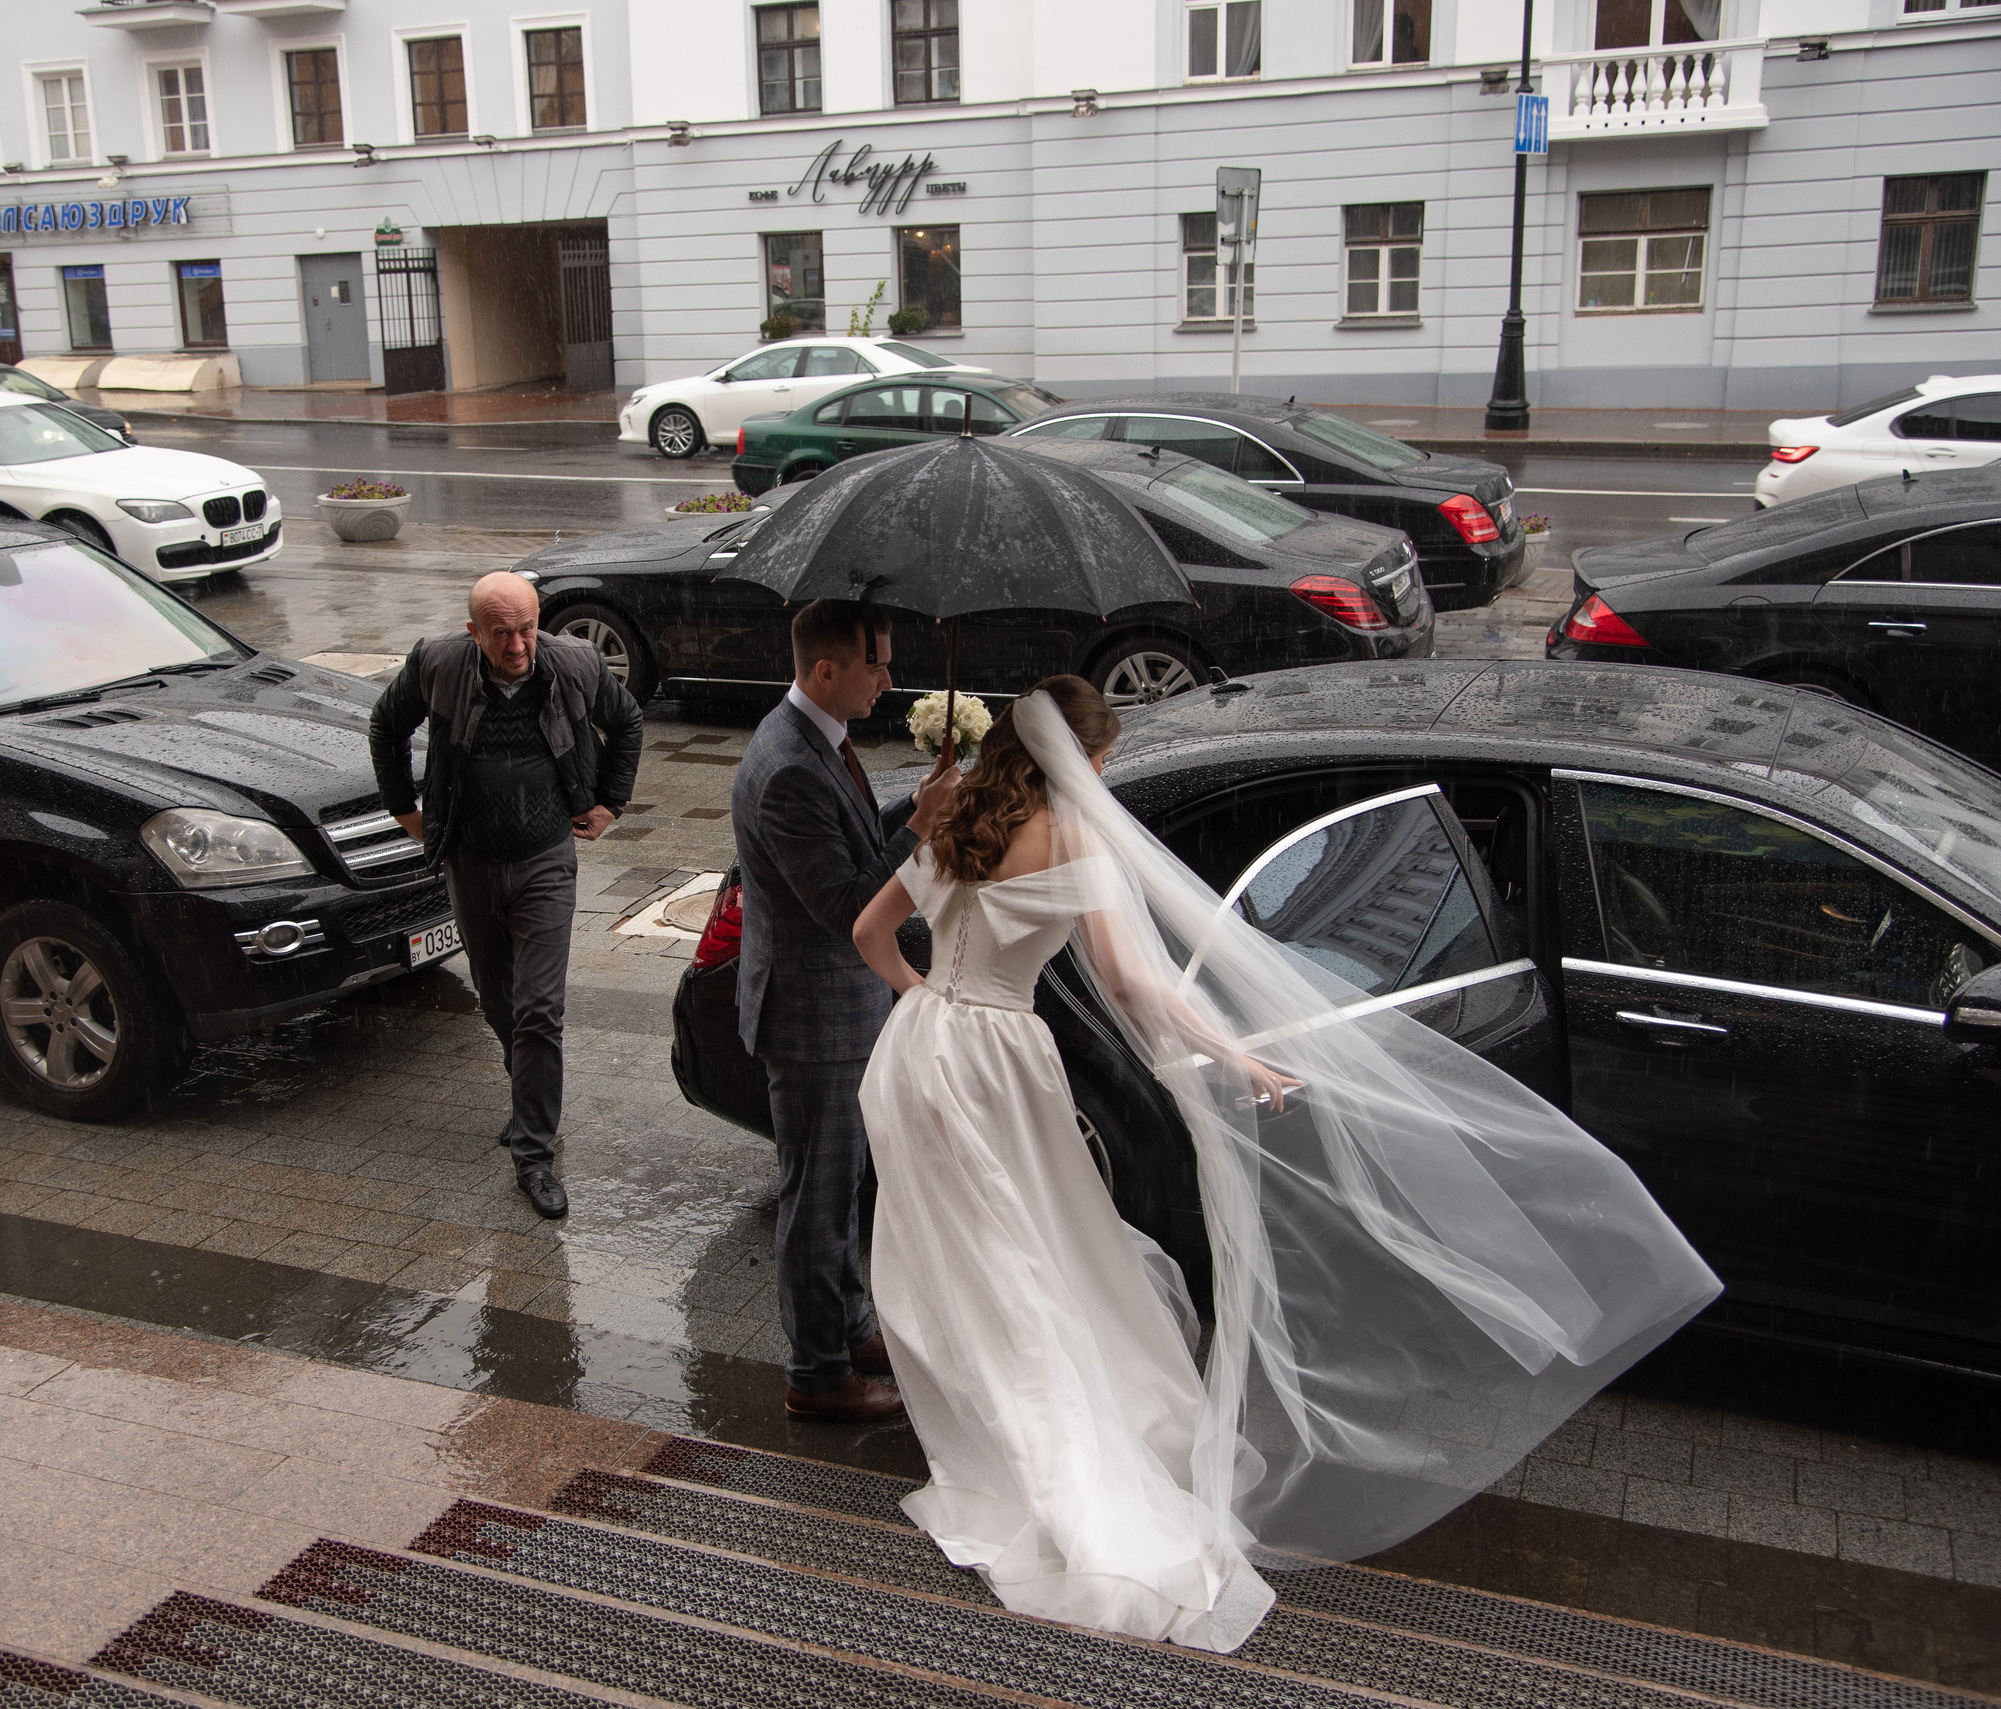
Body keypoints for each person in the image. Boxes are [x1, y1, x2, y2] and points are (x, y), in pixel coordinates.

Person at [850, 677, 1720, 1652]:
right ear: (1079, 758)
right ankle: (1056, 1459)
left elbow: (868, 934)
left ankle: (989, 1428)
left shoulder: (952, 819)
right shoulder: (1075, 840)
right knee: (1031, 1260)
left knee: (966, 1254)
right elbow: (1134, 984)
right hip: (1004, 1062)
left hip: (919, 1056)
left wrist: (927, 997)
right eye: (1100, 760)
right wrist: (1235, 1053)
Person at [730, 600, 958, 1423]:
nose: (888, 680)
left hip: (832, 1005)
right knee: (818, 1201)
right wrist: (921, 829)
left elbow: (852, 840)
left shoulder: (815, 736)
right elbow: (848, 904)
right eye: (876, 665)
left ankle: (850, 1328)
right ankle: (818, 1375)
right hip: (812, 1016)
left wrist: (906, 809)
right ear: (826, 670)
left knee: (841, 1186)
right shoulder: (789, 765)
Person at [368, 571, 644, 1220]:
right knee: (498, 1000)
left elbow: (627, 721)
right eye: (500, 634)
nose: (517, 646)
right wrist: (406, 813)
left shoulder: (574, 664)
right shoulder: (438, 664)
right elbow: (385, 726)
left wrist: (611, 802)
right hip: (470, 862)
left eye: (526, 629)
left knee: (539, 1008)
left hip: (546, 860)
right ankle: (529, 1098)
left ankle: (533, 1156)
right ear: (474, 632)